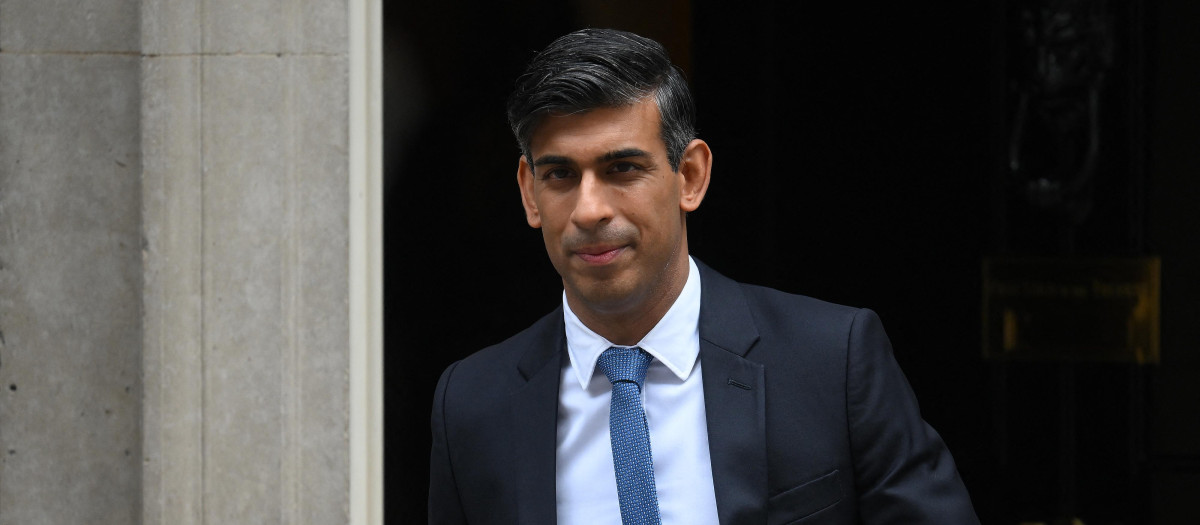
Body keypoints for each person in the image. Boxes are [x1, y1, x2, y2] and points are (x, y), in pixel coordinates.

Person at [428, 28, 979, 524]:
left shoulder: (830, 361)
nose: (589, 208)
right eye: (560, 175)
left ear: (690, 175)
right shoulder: (473, 405)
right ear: (529, 192)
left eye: (622, 168)